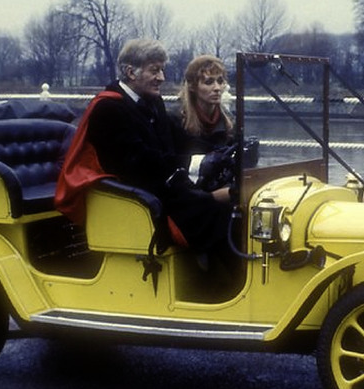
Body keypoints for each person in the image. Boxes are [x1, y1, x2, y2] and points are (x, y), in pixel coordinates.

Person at [55, 39, 231, 257]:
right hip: (137, 190)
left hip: (159, 183)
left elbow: (176, 140)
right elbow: (137, 163)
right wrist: (198, 162)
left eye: (162, 70)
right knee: (218, 212)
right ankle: (221, 279)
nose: (162, 78)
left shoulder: (152, 101)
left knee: (231, 206)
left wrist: (219, 151)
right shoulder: (108, 109)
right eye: (155, 71)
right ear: (131, 72)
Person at [171, 55, 235, 201]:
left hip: (221, 188)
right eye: (209, 82)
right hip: (190, 195)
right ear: (193, 86)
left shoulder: (229, 123)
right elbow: (172, 166)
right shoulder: (176, 121)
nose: (217, 88)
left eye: (220, 81)